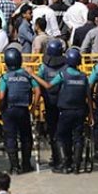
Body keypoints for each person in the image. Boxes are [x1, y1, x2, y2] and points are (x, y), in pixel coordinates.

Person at [29, 48, 92, 175]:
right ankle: (76, 165)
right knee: (78, 138)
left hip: (65, 110)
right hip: (80, 111)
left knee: (60, 136)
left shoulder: (63, 74)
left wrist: (32, 74)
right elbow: (89, 97)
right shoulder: (84, 77)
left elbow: (48, 86)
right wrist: (91, 114)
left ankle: (63, 164)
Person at [0, 46, 39, 174]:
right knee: (26, 137)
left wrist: (1, 108)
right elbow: (37, 91)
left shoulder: (5, 77)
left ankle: (14, 167)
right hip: (23, 109)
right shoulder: (27, 75)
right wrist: (33, 107)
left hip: (9, 110)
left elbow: (1, 96)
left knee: (10, 138)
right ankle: (26, 165)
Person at [36, 39, 66, 170]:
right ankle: (64, 158)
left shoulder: (43, 67)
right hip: (63, 103)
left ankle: (57, 158)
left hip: (50, 103)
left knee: (53, 131)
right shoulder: (66, 67)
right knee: (63, 132)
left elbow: (38, 82)